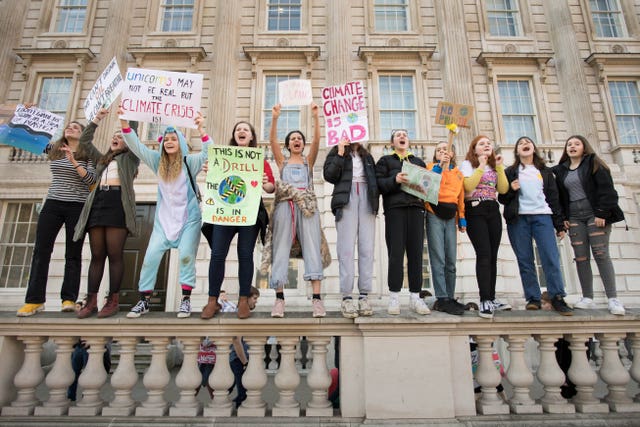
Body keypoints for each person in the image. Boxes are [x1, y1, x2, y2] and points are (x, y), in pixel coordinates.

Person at [118, 107, 210, 318]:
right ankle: (144, 300)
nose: (169, 142)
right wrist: (124, 124)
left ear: (181, 143)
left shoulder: (189, 162)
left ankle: (185, 300)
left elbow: (208, 152)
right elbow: (137, 146)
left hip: (189, 220)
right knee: (150, 258)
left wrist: (201, 129)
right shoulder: (156, 161)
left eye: (174, 139)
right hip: (163, 222)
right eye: (166, 139)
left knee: (186, 256)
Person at [17, 116, 97, 317]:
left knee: (73, 253)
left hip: (77, 206)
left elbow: (91, 181)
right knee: (41, 251)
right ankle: (34, 300)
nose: (71, 128)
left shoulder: (88, 155)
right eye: (69, 126)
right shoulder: (54, 149)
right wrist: (25, 112)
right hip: (52, 203)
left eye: (76, 127)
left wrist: (74, 161)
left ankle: (68, 299)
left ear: (83, 134)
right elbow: (27, 137)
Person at [201, 121, 275, 320]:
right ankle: (212, 299)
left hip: (249, 212)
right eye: (238, 129)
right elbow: (214, 180)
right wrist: (210, 171)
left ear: (251, 137)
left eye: (246, 130)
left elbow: (270, 188)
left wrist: (265, 182)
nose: (241, 131)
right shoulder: (221, 156)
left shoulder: (260, 160)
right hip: (224, 211)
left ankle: (243, 299)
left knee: (245, 254)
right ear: (234, 136)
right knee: (217, 254)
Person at [73, 108, 140, 318]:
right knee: (97, 255)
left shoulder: (130, 160)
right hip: (98, 203)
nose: (115, 138)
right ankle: (91, 300)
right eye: (114, 136)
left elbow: (133, 135)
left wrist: (125, 119)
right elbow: (83, 143)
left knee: (115, 254)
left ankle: (113, 300)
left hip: (117, 203)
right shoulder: (102, 160)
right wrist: (96, 120)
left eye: (120, 137)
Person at [264, 103, 326, 318]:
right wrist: (274, 118)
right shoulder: (283, 162)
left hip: (307, 207)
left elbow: (318, 141)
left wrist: (317, 117)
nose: (297, 141)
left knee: (312, 247)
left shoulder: (309, 162)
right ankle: (279, 300)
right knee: (280, 249)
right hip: (285, 205)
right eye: (293, 139)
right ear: (288, 145)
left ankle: (317, 300)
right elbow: (272, 142)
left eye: (300, 138)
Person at [553, 135, 626, 315]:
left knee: (601, 254)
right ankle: (587, 297)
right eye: (569, 144)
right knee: (581, 257)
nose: (572, 146)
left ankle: (613, 298)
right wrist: (563, 218)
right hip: (575, 215)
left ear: (584, 148)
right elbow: (559, 197)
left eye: (576, 144)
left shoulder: (594, 163)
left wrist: (602, 213)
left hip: (594, 213)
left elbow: (607, 190)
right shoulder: (561, 170)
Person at [499, 136, 572, 316]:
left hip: (543, 217)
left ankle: (557, 296)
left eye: (528, 142)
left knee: (550, 257)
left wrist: (559, 224)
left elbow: (554, 198)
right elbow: (502, 198)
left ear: (533, 148)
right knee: (525, 260)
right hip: (519, 219)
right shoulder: (510, 172)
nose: (525, 144)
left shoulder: (545, 172)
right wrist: (511, 189)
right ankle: (533, 298)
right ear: (517, 151)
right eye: (521, 143)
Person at [375, 129, 431, 316]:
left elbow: (428, 187)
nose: (402, 137)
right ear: (392, 143)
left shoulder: (418, 162)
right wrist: (395, 179)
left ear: (408, 141)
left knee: (416, 254)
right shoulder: (385, 161)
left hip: (416, 209)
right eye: (398, 135)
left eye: (405, 135)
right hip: (395, 210)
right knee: (396, 254)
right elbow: (379, 185)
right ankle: (394, 297)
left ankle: (416, 297)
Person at [323, 136, 379, 318]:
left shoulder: (367, 156)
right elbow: (329, 176)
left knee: (367, 249)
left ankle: (364, 296)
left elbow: (376, 181)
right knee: (345, 250)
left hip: (367, 200)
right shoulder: (336, 152)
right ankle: (346, 297)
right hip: (346, 199)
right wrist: (340, 152)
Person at [460, 135, 510, 319]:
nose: (487, 145)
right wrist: (480, 166)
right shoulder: (467, 164)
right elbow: (467, 185)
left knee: (493, 255)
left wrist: (499, 167)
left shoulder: (495, 166)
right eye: (482, 144)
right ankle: (484, 300)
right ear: (474, 149)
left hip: (492, 207)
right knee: (484, 254)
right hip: (475, 208)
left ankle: (492, 296)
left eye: (489, 143)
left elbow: (503, 189)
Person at [425, 142, 467, 316]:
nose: (442, 151)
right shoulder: (430, 167)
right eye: (439, 150)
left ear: (452, 154)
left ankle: (450, 296)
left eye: (445, 149)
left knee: (451, 260)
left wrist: (462, 218)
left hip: (451, 216)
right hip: (434, 211)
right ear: (435, 155)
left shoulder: (458, 174)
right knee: (438, 258)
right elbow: (427, 184)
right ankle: (441, 297)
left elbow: (460, 197)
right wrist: (440, 166)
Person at [229, 286, 260, 408]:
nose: (256, 301)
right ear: (246, 299)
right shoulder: (240, 314)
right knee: (243, 395)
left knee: (240, 393)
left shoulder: (244, 314)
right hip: (238, 360)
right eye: (254, 298)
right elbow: (236, 340)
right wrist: (245, 362)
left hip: (239, 359)